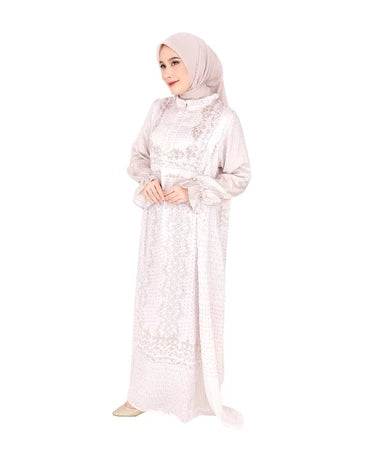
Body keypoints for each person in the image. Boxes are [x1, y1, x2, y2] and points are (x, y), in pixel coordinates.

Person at [112, 32, 251, 428]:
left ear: (198, 64)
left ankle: (188, 397)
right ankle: (142, 393)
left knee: (188, 307)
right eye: (162, 65)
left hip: (196, 233)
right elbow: (138, 157)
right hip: (157, 228)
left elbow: (239, 175)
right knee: (153, 304)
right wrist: (147, 180)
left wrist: (194, 190)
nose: (167, 73)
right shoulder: (159, 110)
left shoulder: (224, 119)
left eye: (176, 62)